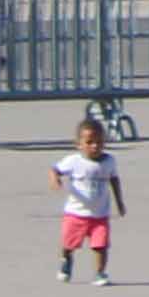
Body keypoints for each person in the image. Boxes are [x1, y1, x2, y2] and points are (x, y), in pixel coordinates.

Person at [51, 113, 124, 284]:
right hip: (76, 214)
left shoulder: (109, 161)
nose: (95, 146)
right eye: (89, 142)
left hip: (100, 215)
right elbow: (54, 169)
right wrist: (55, 179)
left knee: (101, 245)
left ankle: (100, 273)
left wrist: (120, 202)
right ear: (79, 144)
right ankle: (66, 259)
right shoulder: (74, 161)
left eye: (99, 142)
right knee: (70, 244)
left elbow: (114, 180)